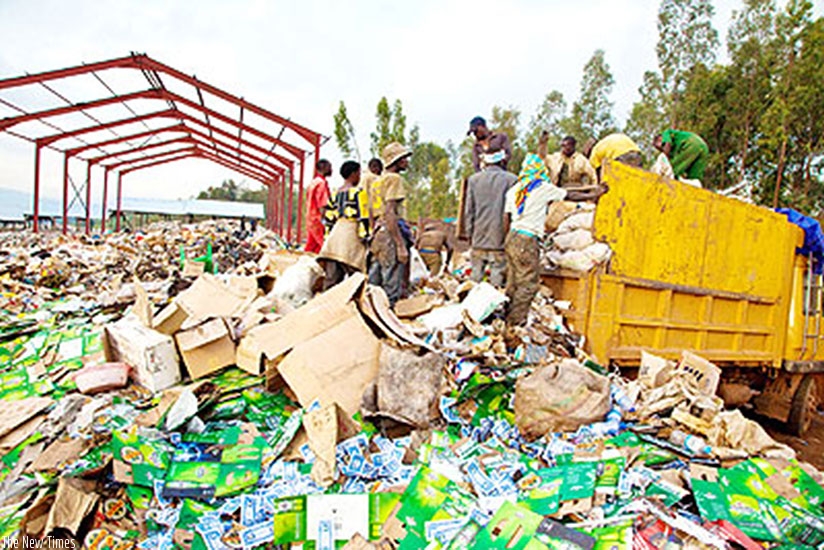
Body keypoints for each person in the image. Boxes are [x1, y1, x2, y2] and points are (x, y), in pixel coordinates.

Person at [504, 154, 605, 325]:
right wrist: (597, 192)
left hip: (512, 237)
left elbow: (505, 218)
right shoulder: (541, 187)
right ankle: (514, 324)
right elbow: (570, 195)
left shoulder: (514, 190)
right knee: (528, 285)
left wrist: (505, 242)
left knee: (513, 283)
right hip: (527, 240)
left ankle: (504, 317)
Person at [368, 142, 413, 305]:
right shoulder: (394, 179)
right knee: (390, 286)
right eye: (404, 158)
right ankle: (387, 321)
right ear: (397, 160)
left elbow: (372, 212)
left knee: (374, 283)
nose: (407, 162)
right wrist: (400, 244)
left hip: (378, 233)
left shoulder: (377, 182)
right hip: (391, 232)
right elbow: (390, 212)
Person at [465, 147, 516, 286]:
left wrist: (470, 234)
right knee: (497, 277)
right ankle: (494, 305)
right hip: (499, 238)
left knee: (475, 278)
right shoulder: (511, 180)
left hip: (478, 237)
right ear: (502, 161)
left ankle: (472, 305)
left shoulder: (474, 180)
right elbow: (514, 212)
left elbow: (469, 210)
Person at [319, 161, 370, 290]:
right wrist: (366, 236)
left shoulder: (335, 194)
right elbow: (363, 216)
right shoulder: (359, 193)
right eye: (359, 173)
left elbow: (329, 218)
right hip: (351, 234)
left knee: (331, 279)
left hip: (335, 237)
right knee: (356, 276)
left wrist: (327, 237)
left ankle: (325, 305)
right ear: (353, 174)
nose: (359, 177)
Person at [305, 159, 332, 253]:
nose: (331, 170)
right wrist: (325, 220)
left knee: (311, 247)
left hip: (311, 218)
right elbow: (322, 204)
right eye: (330, 167)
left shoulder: (313, 182)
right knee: (323, 247)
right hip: (317, 219)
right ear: (324, 168)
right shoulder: (321, 183)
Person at [360, 157, 383, 224]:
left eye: (377, 166)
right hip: (372, 210)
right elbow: (364, 192)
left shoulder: (382, 178)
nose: (375, 169)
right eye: (373, 166)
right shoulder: (368, 178)